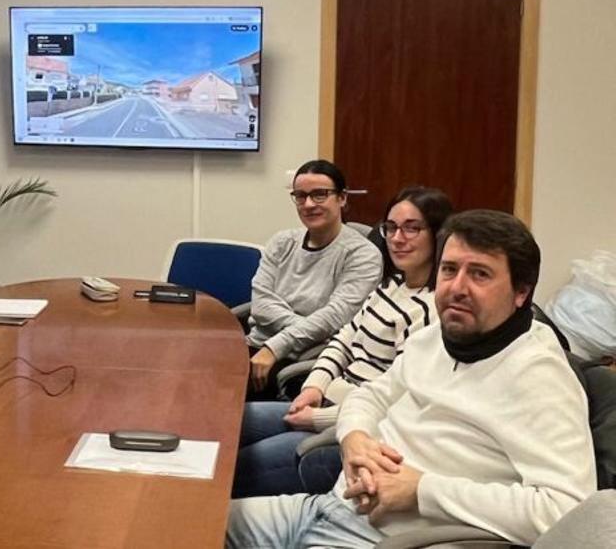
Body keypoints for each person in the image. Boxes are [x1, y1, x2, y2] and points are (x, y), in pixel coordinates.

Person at [227, 210, 596, 548]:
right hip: (324, 508)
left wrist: (423, 490)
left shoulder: (541, 377)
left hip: (382, 540)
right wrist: (354, 437)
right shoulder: (435, 337)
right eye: (450, 270)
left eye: (480, 274)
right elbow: (369, 396)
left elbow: (565, 511)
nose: (457, 287)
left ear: (521, 292)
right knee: (185, 522)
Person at [233, 186, 452, 498]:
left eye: (412, 228)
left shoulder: (430, 311)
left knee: (233, 467)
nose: (397, 238)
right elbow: (344, 339)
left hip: (351, 428)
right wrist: (313, 387)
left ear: (438, 234)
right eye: (390, 228)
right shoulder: (392, 286)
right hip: (324, 402)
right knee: (224, 425)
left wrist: (318, 418)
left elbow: (399, 401)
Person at [246, 159, 383, 395]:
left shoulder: (363, 255)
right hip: (257, 344)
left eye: (320, 195)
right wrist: (304, 327)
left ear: (342, 198)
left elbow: (334, 317)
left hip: (303, 359)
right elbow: (261, 305)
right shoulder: (282, 242)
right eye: (300, 196)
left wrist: (277, 346)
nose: (308, 204)